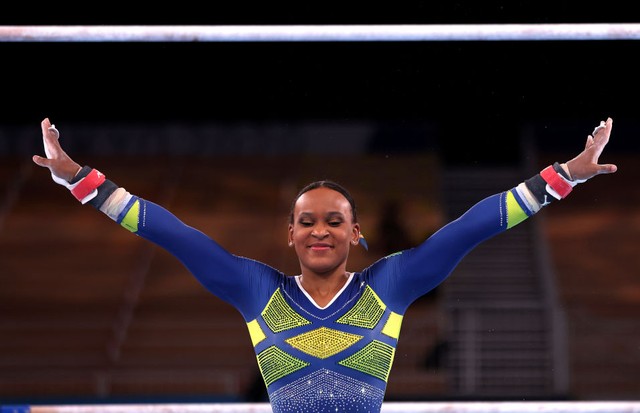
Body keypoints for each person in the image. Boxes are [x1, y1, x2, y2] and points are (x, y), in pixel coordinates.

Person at [32, 116, 617, 413]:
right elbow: (174, 235)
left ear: (356, 234)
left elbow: (471, 227)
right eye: (307, 220)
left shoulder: (390, 284)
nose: (320, 230)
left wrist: (562, 176)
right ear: (289, 235)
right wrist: (79, 180)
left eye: (334, 220)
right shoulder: (255, 289)